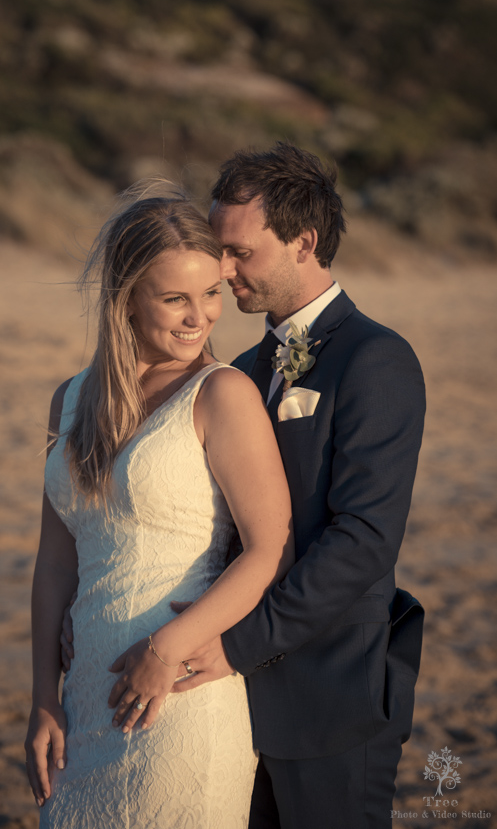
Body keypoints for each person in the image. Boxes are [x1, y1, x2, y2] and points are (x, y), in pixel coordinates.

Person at [92, 144, 426, 828]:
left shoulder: (374, 359)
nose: (222, 269)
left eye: (239, 252)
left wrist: (236, 645)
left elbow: (361, 542)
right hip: (231, 702)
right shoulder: (240, 367)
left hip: (328, 695)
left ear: (304, 242)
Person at [24, 188, 294, 829]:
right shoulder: (72, 398)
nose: (198, 316)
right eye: (175, 297)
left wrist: (168, 649)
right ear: (127, 297)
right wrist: (42, 698)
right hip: (86, 696)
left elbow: (269, 548)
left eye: (210, 295)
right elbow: (56, 563)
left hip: (179, 700)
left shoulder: (222, 394)